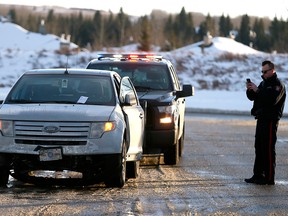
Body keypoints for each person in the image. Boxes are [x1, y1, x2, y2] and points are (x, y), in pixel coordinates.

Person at [245, 60, 286, 185]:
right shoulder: (263, 83)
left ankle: (269, 177)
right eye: (262, 71)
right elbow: (254, 97)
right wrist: (250, 90)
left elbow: (272, 100)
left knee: (268, 148)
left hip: (270, 120)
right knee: (259, 147)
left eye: (265, 71)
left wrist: (258, 91)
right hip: (261, 118)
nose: (263, 73)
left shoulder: (278, 85)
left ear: (272, 70)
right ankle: (258, 174)